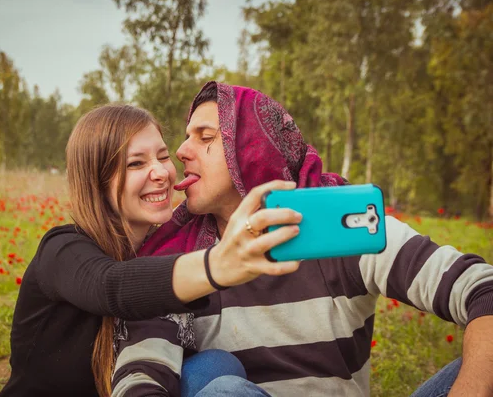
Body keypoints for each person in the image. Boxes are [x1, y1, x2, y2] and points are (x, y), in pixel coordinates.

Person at [112, 82, 493, 396]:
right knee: (222, 387)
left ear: (251, 148)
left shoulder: (344, 227)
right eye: (185, 137)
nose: (180, 152)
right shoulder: (179, 260)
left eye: (205, 136)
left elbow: (483, 290)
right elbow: (141, 373)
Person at [0, 104, 303, 397]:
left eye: (162, 156)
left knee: (217, 365)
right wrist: (218, 265)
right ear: (97, 181)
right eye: (136, 163)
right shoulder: (62, 250)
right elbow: (111, 285)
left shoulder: (164, 251)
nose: (161, 173)